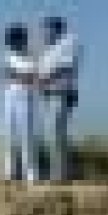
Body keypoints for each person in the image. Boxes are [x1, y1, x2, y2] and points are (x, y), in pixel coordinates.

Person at [37, 16, 80, 181]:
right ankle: (59, 171)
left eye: (46, 30)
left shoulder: (69, 42)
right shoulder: (48, 49)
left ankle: (61, 173)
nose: (43, 34)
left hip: (62, 92)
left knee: (56, 132)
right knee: (52, 133)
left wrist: (43, 79)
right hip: (49, 94)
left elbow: (65, 67)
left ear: (55, 29)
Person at [0, 22, 38, 183]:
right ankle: (9, 172)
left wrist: (17, 75)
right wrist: (19, 75)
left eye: (14, 40)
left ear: (22, 39)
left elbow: (32, 77)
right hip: (9, 95)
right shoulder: (7, 55)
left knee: (26, 135)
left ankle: (30, 173)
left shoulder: (31, 56)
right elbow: (4, 74)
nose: (12, 44)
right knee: (8, 134)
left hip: (25, 96)